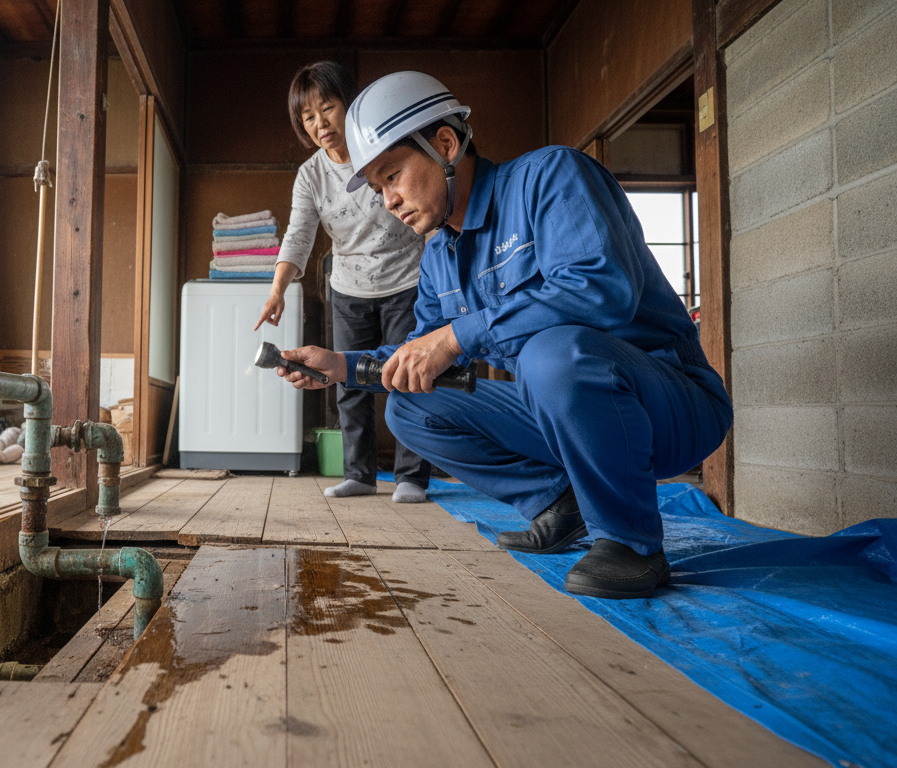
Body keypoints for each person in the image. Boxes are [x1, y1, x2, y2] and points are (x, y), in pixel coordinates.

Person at [274, 71, 733, 599]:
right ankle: (558, 502)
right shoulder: (439, 257)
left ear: (445, 144)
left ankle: (630, 542)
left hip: (671, 406)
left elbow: (601, 287)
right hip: (560, 413)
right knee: (410, 406)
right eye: (378, 189)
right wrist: (342, 366)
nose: (388, 201)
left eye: (393, 175)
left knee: (550, 355)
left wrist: (457, 337)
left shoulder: (550, 177)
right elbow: (420, 353)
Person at [254, 61, 432, 504]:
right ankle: (359, 474)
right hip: (349, 289)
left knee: (407, 375)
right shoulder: (311, 175)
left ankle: (412, 477)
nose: (320, 123)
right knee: (348, 381)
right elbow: (299, 235)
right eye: (308, 117)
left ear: (350, 105)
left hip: (408, 280)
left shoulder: (381, 150)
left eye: (327, 108)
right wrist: (277, 289)